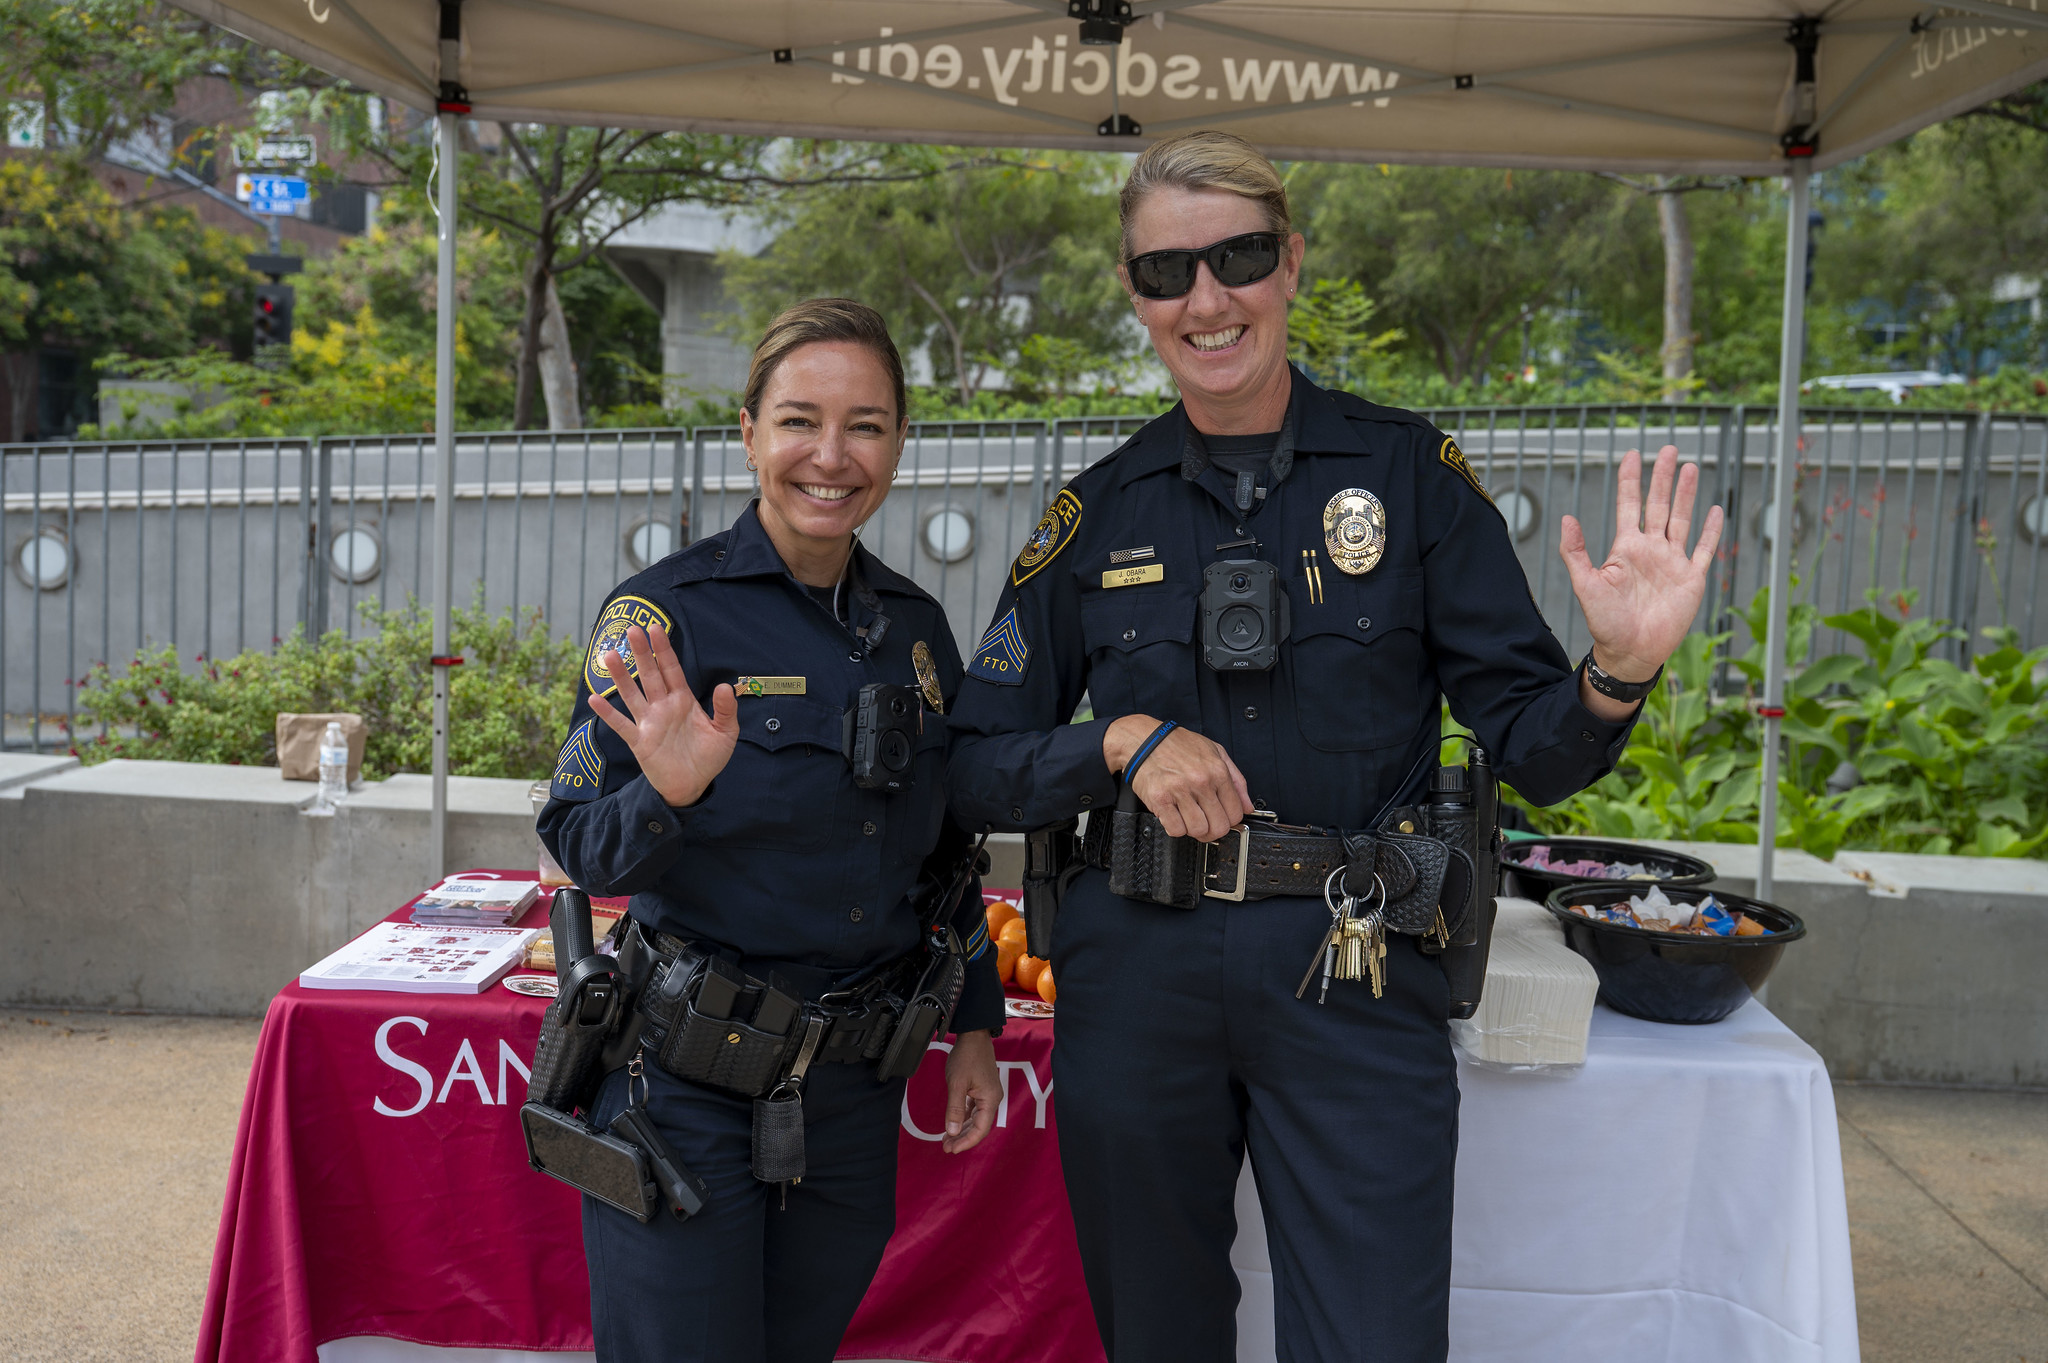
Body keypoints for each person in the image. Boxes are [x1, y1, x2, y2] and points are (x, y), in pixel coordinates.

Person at [946, 132, 1724, 1363]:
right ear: (1133, 295)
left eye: (1237, 257)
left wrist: (1617, 668)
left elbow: (1536, 749)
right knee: (1156, 1334)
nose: (1205, 299)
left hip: (1351, 968)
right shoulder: (1096, 511)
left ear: (1290, 263)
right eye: (1165, 272)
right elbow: (971, 760)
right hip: (1140, 975)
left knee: (1373, 1339)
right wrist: (1120, 741)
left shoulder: (1408, 478)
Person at [537, 297, 1004, 1363]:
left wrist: (972, 1020)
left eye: (866, 425)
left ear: (897, 442)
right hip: (682, 1089)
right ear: (746, 430)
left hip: (848, 1098)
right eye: (799, 420)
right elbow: (573, 838)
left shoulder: (915, 632)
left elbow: (942, 853)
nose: (830, 456)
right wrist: (669, 791)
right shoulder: (662, 619)